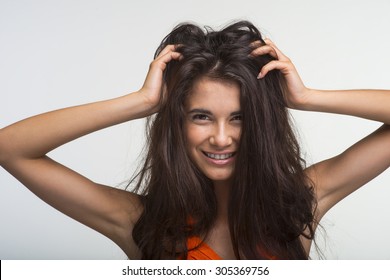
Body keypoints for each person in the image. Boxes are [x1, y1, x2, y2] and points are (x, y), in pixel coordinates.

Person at [0, 21, 389, 260]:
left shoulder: (300, 204)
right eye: (201, 116)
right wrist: (143, 102)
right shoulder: (139, 222)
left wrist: (307, 98)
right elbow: (10, 147)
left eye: (240, 118)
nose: (221, 138)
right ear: (177, 122)